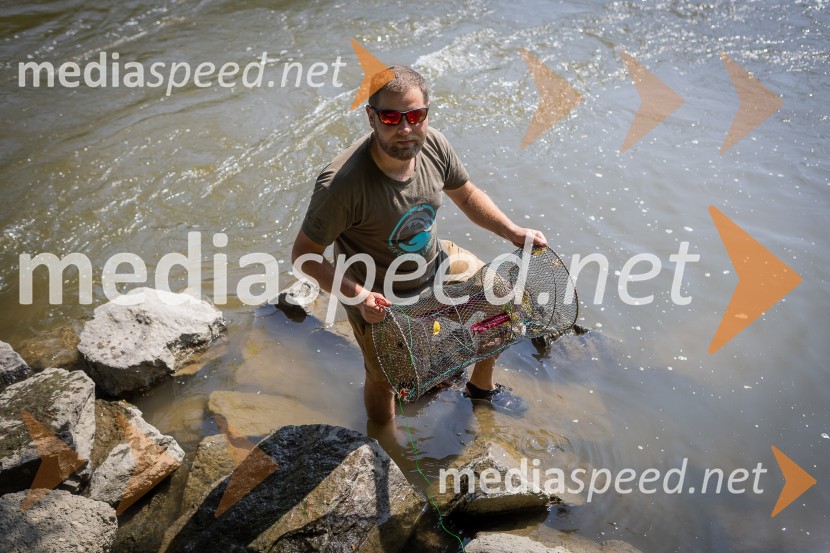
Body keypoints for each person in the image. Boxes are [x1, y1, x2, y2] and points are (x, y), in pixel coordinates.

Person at [291, 65, 547, 423]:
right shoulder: (341, 186)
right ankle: (382, 442)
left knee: (502, 298)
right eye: (392, 117)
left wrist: (512, 231)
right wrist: (359, 297)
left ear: (427, 112)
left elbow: (467, 194)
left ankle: (480, 388)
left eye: (415, 115)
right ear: (371, 117)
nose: (406, 128)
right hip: (376, 293)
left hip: (435, 259)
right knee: (384, 378)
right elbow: (304, 256)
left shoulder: (434, 145)